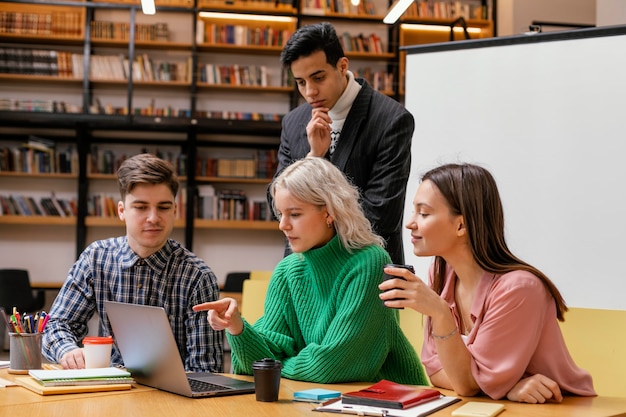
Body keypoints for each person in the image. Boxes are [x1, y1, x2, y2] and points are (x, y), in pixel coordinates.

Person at [194, 157, 428, 384]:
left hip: (385, 403)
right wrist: (237, 328)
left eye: (294, 214)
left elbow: (335, 365)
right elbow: (256, 366)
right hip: (315, 400)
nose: (282, 225)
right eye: (280, 214)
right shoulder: (287, 270)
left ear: (329, 212)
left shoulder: (370, 262)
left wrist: (279, 366)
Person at [379, 163, 596, 403]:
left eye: (424, 213)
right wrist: (501, 387)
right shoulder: (441, 274)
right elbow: (437, 372)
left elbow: (466, 385)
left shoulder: (519, 289)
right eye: (414, 212)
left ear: (461, 225)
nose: (410, 223)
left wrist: (441, 313)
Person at [42, 153, 223, 372]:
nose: (153, 218)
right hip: (108, 388)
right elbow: (58, 324)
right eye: (141, 207)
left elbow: (206, 371)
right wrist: (68, 351)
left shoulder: (198, 276)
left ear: (175, 210)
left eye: (164, 207)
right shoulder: (96, 258)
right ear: (122, 211)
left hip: (172, 399)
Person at [274, 21, 413, 265]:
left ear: (342, 66)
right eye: (301, 82)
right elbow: (274, 201)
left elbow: (381, 214)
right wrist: (313, 159)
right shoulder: (294, 122)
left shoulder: (391, 120)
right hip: (302, 272)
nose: (310, 92)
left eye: (318, 78)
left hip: (365, 271)